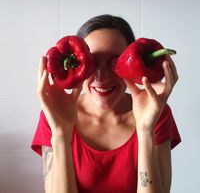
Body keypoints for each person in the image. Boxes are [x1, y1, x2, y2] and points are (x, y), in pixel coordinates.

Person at [31, 14, 181, 193]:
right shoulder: (54, 115)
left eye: (115, 62)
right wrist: (61, 135)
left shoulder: (157, 113)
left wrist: (145, 131)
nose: (101, 78)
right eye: (91, 62)